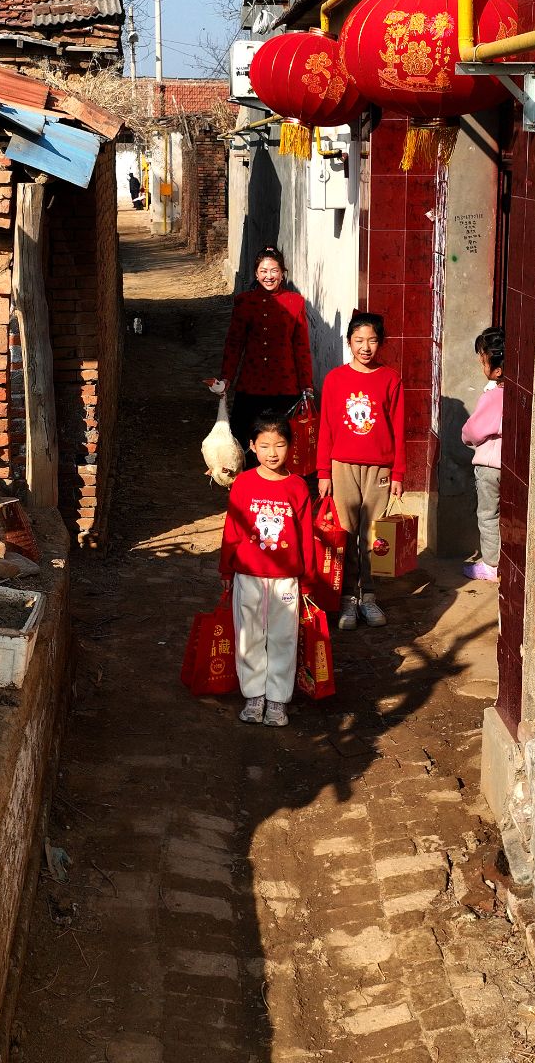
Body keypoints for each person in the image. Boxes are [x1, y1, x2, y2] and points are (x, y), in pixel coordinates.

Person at [219, 412, 315, 727]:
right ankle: (254, 696)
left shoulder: (298, 487)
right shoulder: (243, 484)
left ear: (290, 446)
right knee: (248, 636)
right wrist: (226, 570)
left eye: (279, 445)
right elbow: (232, 530)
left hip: (286, 579)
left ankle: (277, 699)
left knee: (283, 637)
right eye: (264, 446)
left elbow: (305, 535)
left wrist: (308, 579)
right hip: (247, 574)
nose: (272, 453)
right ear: (251, 446)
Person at [317, 312, 405, 631]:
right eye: (359, 340)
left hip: (380, 467)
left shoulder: (391, 379)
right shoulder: (335, 379)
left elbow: (398, 428)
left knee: (373, 536)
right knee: (347, 532)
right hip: (342, 466)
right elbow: (326, 427)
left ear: (381, 343)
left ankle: (368, 595)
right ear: (349, 342)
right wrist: (323, 471)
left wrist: (398, 473)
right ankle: (347, 599)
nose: (365, 347)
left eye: (372, 340)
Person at [219, 246, 314, 465]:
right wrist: (226, 378)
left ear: (282, 273)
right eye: (263, 271)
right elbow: (234, 343)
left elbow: (301, 346)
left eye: (274, 271)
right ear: (256, 273)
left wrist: (306, 384)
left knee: (281, 440)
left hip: (284, 385)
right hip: (251, 383)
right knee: (246, 438)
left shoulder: (295, 302)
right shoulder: (244, 302)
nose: (268, 276)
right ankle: (248, 480)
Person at [460, 326, 504, 582]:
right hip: (510, 466)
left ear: (496, 370)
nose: (481, 363)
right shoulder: (517, 392)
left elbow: (474, 431)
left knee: (488, 515)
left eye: (483, 359)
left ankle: (491, 564)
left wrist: (465, 437)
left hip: (489, 467)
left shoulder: (493, 396)